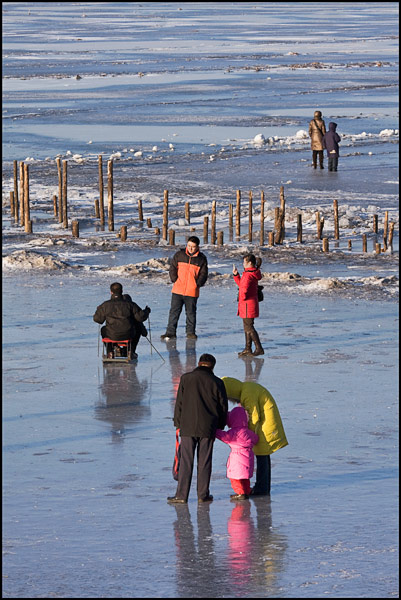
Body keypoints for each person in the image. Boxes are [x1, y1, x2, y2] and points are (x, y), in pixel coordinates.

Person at [167, 353, 228, 504]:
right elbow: (223, 407)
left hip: (187, 426)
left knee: (186, 461)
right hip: (208, 427)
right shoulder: (217, 382)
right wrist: (220, 425)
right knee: (205, 462)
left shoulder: (186, 379)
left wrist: (178, 423)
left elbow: (179, 402)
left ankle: (181, 496)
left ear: (199, 363)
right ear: (212, 366)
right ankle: (203, 495)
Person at [221, 377, 288, 496]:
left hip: (264, 427)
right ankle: (262, 486)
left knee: (262, 457)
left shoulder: (248, 392)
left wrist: (244, 434)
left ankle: (262, 488)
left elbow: (253, 416)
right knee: (264, 457)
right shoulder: (248, 388)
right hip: (266, 425)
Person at [161, 236, 208, 340]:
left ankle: (190, 332)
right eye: (189, 246)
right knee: (174, 312)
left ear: (197, 247)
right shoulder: (179, 255)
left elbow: (204, 274)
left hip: (192, 291)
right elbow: (172, 268)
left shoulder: (201, 259)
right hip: (178, 289)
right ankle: (170, 332)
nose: (190, 248)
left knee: (191, 313)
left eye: (193, 247)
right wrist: (174, 279)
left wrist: (197, 284)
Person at [93, 282, 151, 359]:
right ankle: (131, 351)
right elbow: (140, 318)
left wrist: (98, 311)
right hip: (128, 334)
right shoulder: (130, 304)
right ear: (122, 291)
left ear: (111, 292)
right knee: (138, 327)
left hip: (112, 334)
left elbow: (98, 319)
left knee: (103, 329)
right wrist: (146, 311)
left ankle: (110, 352)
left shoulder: (105, 305)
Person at [216, 405, 259, 501]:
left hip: (237, 458)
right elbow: (256, 439)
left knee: (235, 478)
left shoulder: (233, 433)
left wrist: (215, 430)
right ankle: (247, 490)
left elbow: (223, 436)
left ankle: (240, 493)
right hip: (248, 456)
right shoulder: (248, 432)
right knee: (245, 477)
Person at [233, 254, 264, 357]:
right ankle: (248, 348)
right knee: (247, 326)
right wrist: (236, 275)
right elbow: (242, 285)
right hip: (251, 302)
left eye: (244, 262)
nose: (243, 264)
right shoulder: (252, 273)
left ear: (249, 263)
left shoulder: (247, 274)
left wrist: (241, 298)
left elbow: (243, 289)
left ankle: (258, 348)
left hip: (247, 304)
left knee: (249, 327)